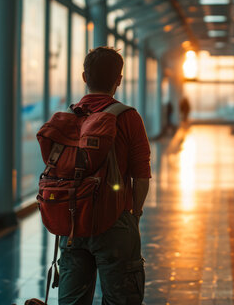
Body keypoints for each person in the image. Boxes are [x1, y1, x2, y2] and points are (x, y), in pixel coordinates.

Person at [58, 47, 151, 305]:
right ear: (118, 80)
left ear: (84, 77)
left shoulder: (68, 117)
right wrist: (135, 214)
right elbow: (141, 175)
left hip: (73, 222)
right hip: (116, 219)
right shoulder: (128, 117)